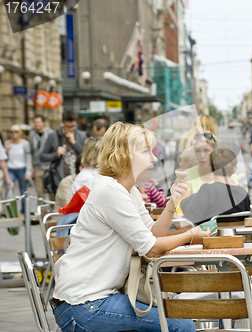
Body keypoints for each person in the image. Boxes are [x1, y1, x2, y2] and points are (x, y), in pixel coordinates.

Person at [51, 122, 209, 332]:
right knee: (181, 326)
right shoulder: (111, 192)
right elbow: (151, 248)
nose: (154, 158)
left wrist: (171, 205)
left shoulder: (127, 191)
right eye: (146, 152)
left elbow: (152, 233)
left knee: (176, 320)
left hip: (92, 299)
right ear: (123, 155)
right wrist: (190, 236)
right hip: (83, 304)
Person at [181, 147, 250, 224]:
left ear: (210, 168)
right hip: (238, 235)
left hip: (209, 235)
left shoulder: (208, 191)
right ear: (235, 168)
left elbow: (187, 223)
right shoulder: (244, 194)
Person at [40, 110, 87, 193]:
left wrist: (74, 143)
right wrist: (56, 154)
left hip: (78, 179)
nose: (70, 129)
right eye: (67, 126)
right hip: (59, 179)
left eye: (72, 126)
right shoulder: (53, 136)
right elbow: (42, 156)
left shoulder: (81, 135)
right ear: (63, 123)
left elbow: (87, 155)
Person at [5, 124, 32, 215]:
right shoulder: (7, 143)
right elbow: (3, 158)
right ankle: (9, 212)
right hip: (10, 169)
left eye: (16, 131)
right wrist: (6, 150)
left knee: (23, 192)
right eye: (11, 131)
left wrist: (28, 171)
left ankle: (23, 212)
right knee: (8, 190)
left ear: (20, 133)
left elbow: (28, 157)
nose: (13, 133)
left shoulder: (25, 143)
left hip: (22, 169)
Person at [29, 115, 54, 199]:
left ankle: (52, 211)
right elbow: (31, 152)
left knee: (52, 193)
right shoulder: (32, 135)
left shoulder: (51, 134)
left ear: (43, 123)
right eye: (35, 122)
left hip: (49, 167)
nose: (36, 124)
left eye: (38, 122)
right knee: (40, 193)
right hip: (38, 167)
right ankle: (42, 212)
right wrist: (31, 167)